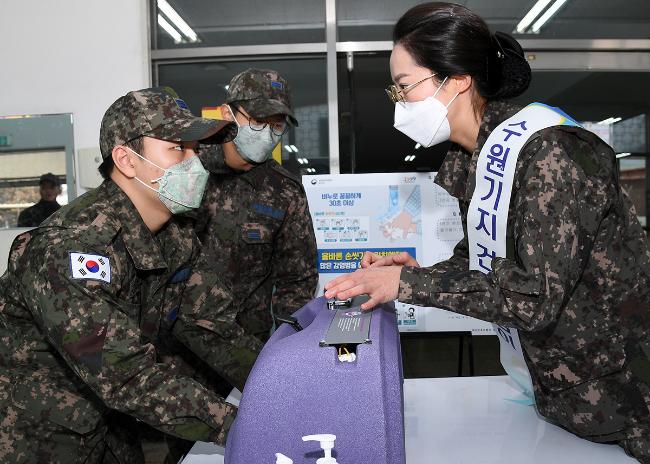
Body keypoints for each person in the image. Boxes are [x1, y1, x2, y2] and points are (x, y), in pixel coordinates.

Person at [324, 3, 650, 462]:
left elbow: (534, 297)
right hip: (559, 395)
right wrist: (415, 272)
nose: (398, 104)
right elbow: (480, 259)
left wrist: (407, 285)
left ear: (456, 79)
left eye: (404, 87)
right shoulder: (476, 159)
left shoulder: (548, 154)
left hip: (625, 398)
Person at [0, 87, 264, 463]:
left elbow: (211, 326)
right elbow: (127, 374)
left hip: (110, 429)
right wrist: (253, 426)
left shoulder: (174, 236)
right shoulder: (71, 248)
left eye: (195, 149)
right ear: (127, 160)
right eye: (177, 148)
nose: (196, 163)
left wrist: (281, 386)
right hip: (34, 439)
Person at [197, 68, 318, 342]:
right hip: (179, 347)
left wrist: (288, 343)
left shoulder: (285, 191)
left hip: (247, 344)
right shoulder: (188, 168)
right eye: (257, 121)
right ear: (228, 114)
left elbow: (297, 279)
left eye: (276, 126)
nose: (267, 133)